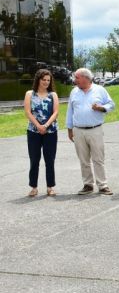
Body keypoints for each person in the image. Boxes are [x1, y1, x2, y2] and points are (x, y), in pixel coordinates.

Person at [66, 68, 115, 195]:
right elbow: (70, 111)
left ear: (85, 78)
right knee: (83, 159)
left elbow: (111, 105)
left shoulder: (100, 90)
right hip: (78, 130)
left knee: (98, 158)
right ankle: (88, 185)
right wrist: (69, 129)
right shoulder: (74, 92)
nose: (74, 80)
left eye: (77, 77)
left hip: (95, 129)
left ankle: (102, 185)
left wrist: (101, 108)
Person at [24, 69, 59, 197]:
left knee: (50, 159)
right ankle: (34, 187)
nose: (46, 82)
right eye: (43, 79)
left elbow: (55, 112)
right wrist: (38, 126)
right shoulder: (30, 94)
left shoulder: (53, 95)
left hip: (50, 131)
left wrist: (45, 125)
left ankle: (50, 187)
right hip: (33, 131)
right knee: (34, 159)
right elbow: (28, 112)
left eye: (48, 80)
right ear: (38, 79)